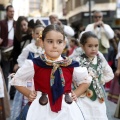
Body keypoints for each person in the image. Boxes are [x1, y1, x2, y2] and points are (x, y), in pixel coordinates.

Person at [10, 24, 92, 120]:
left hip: (67, 109)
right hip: (41, 109)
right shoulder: (35, 64)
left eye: (59, 42)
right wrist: (28, 93)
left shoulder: (70, 64)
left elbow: (86, 80)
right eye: (50, 42)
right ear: (42, 42)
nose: (54, 46)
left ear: (64, 44)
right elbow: (17, 80)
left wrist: (76, 93)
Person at [73, 31, 114, 120]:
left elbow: (110, 74)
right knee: (84, 114)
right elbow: (73, 77)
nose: (93, 49)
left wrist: (99, 80)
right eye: (90, 46)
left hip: (98, 95)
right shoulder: (78, 60)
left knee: (99, 114)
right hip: (83, 96)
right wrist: (80, 83)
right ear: (83, 46)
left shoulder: (100, 59)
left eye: (96, 46)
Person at [10, 24, 45, 120]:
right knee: (28, 98)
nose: (39, 35)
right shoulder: (29, 48)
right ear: (33, 35)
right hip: (29, 79)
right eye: (37, 33)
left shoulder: (46, 48)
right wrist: (24, 69)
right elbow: (20, 59)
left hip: (42, 78)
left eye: (41, 33)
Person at [9, 16, 32, 100]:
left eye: (24, 25)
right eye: (21, 25)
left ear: (27, 23)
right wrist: (16, 63)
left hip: (30, 60)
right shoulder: (17, 35)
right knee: (17, 77)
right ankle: (14, 95)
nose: (23, 27)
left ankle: (29, 94)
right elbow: (16, 50)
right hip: (21, 59)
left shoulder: (32, 34)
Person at [0, 5, 15, 89]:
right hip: (5, 49)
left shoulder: (16, 23)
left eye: (13, 11)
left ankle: (12, 92)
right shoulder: (2, 23)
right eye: (10, 11)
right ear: (7, 12)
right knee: (5, 71)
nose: (12, 13)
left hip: (14, 49)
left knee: (14, 71)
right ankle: (5, 91)